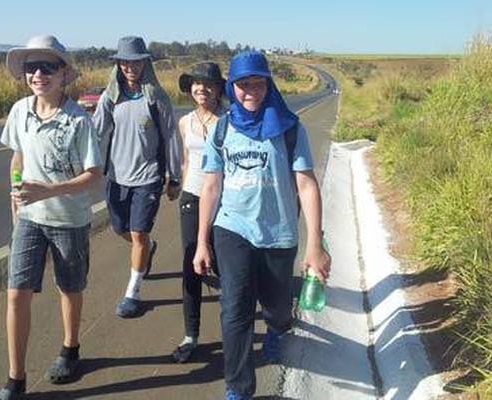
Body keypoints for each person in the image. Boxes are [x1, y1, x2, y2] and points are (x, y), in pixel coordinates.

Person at [192, 51, 331, 400]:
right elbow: (210, 186)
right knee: (235, 309)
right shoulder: (222, 128)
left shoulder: (288, 128)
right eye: (241, 84)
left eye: (257, 82)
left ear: (268, 84)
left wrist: (315, 243)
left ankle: (275, 329)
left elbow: (306, 184)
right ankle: (238, 388)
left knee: (278, 309)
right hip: (232, 229)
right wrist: (201, 242)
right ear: (231, 87)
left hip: (278, 233)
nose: (249, 90)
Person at [0, 35, 103, 400]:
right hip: (29, 217)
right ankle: (15, 378)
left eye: (47, 67)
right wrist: (15, 191)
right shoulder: (20, 110)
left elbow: (94, 175)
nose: (38, 74)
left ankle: (71, 348)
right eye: (31, 67)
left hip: (68, 219)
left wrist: (50, 191)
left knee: (69, 288)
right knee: (16, 293)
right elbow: (18, 157)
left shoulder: (78, 121)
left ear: (63, 73)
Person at [93, 36, 182, 319]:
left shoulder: (156, 98)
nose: (130, 67)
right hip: (118, 177)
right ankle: (147, 249)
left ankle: (133, 292)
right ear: (119, 64)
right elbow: (96, 131)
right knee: (121, 229)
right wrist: (82, 163)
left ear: (145, 63)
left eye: (136, 61)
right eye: (125, 62)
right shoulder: (111, 97)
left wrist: (175, 176)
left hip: (149, 177)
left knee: (138, 232)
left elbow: (171, 137)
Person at [172, 62, 226, 363]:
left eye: (208, 84)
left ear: (219, 89)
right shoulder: (185, 122)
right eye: (196, 83)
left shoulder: (229, 121)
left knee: (225, 266)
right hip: (192, 198)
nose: (201, 89)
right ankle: (190, 334)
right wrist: (182, 191)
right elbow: (187, 160)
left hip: (224, 199)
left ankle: (234, 328)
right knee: (191, 265)